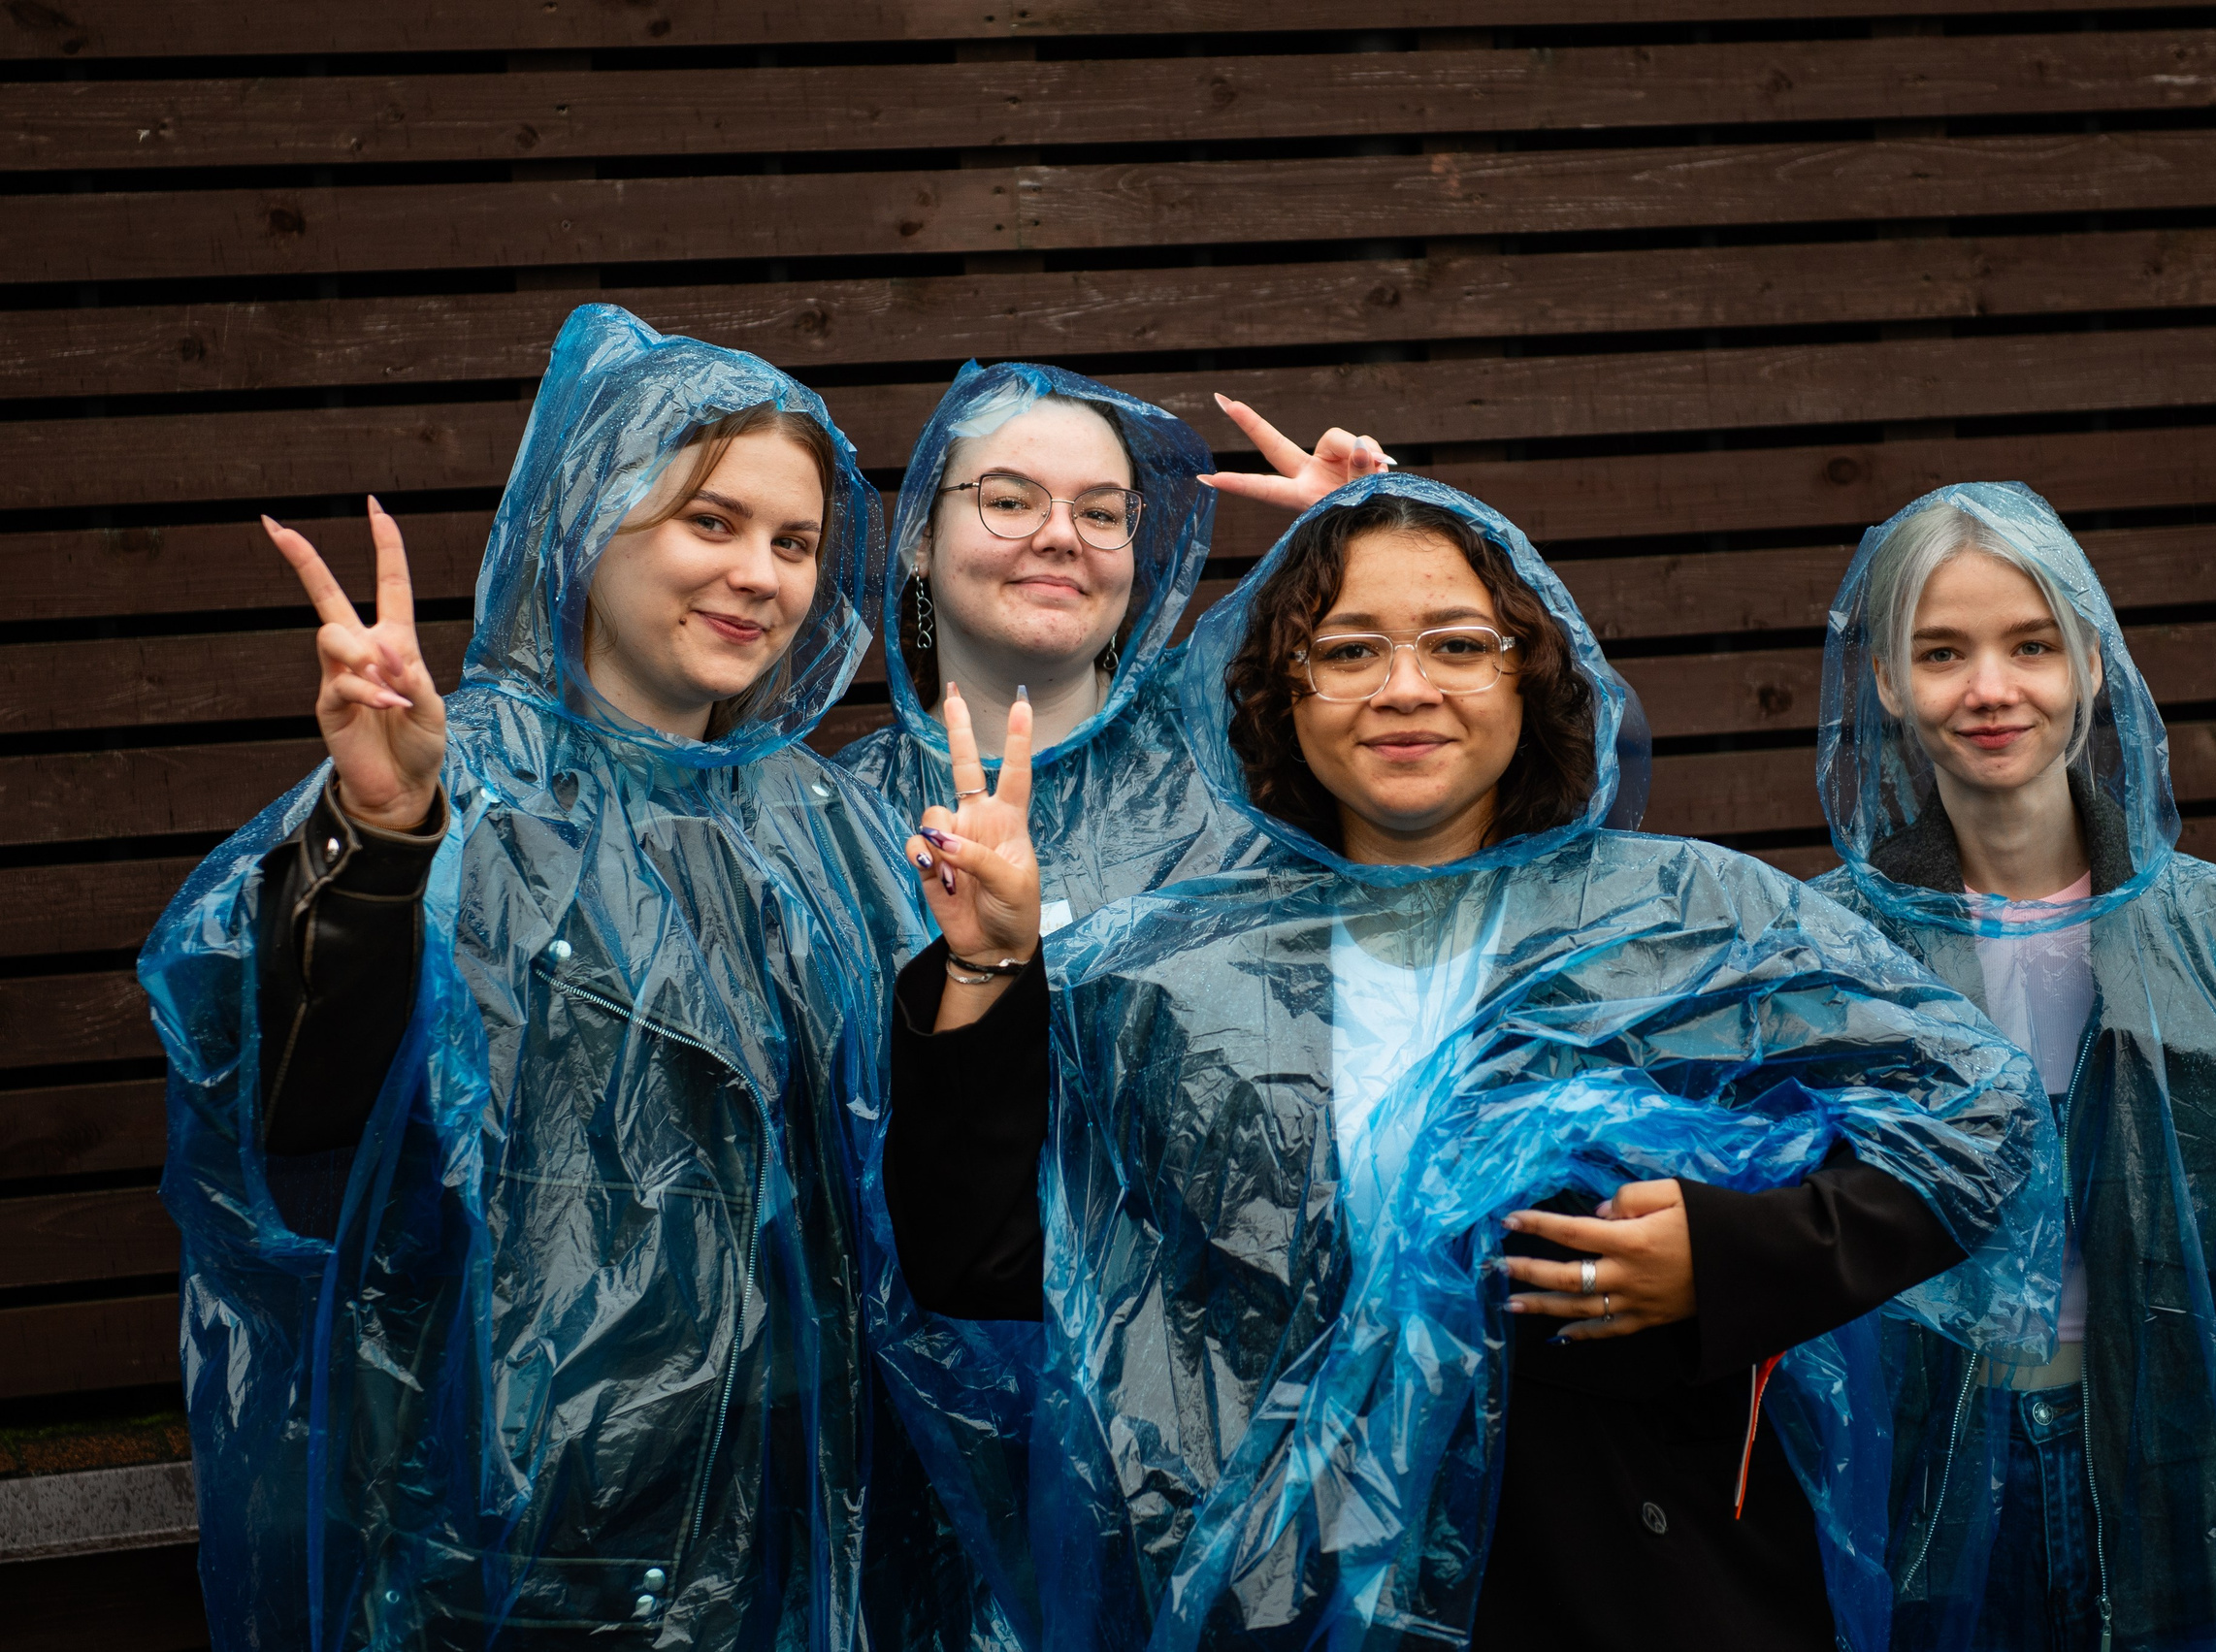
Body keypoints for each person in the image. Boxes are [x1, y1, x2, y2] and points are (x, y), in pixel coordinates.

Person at [873, 472, 2065, 1649]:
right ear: (1281, 692)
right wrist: (987, 967)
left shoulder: (1687, 918)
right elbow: (985, 1256)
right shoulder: (1177, 970)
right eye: (1346, 652)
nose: (1404, 689)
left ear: (1529, 672)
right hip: (1297, 1599)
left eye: (1457, 643)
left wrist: (1730, 1255)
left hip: (1643, 1585)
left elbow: (1983, 1114)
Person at [141, 305, 971, 1650]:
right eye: (710, 520)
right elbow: (291, 1125)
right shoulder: (445, 780)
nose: (759, 574)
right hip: (510, 1532)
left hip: (803, 1527)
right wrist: (380, 841)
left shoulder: (833, 829)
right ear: (591, 521)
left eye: (796, 539)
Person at [1808, 482, 2216, 1651]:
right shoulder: (1825, 949)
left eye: (2030, 643)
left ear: (2089, 660)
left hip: (2182, 1475)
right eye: (1941, 650)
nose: (1990, 688)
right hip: (1918, 1506)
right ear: (1882, 682)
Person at [834, 369, 1405, 929]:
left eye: (1101, 513)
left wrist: (1366, 550)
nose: (1060, 535)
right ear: (921, 541)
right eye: (1008, 502)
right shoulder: (841, 817)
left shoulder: (1246, 735)